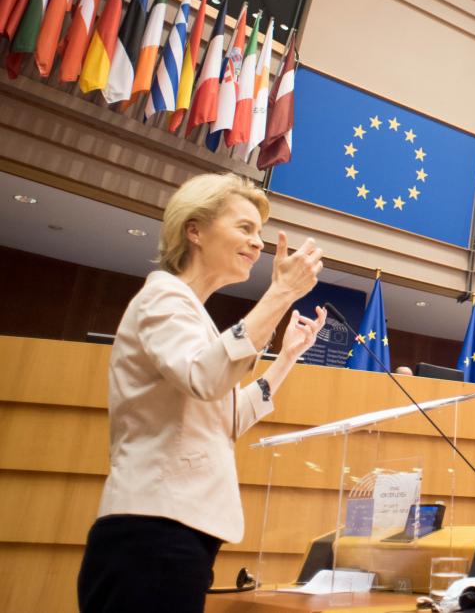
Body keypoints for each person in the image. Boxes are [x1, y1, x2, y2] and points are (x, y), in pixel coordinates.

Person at [77, 173, 326, 613]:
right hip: (151, 533)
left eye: (260, 232)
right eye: (245, 228)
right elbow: (206, 378)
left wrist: (287, 357)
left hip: (178, 533)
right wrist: (281, 293)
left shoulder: (194, 315)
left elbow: (226, 418)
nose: (258, 243)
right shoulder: (163, 298)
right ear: (195, 230)